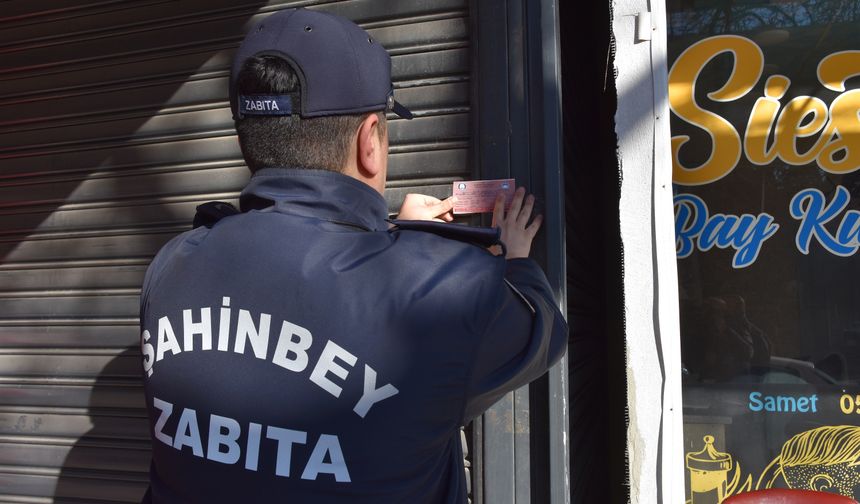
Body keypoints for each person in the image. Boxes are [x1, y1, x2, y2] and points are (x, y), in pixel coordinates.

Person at [139, 8, 567, 503]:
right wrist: (511, 262)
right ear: (369, 142)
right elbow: (544, 331)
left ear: (246, 138)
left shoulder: (171, 266)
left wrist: (397, 238)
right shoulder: (446, 290)